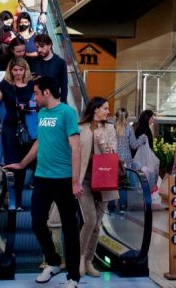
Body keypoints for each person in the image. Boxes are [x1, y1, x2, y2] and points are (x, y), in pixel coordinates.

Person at [4, 76, 82, 287]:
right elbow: (40, 141)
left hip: (64, 179)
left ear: (47, 92)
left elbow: (76, 148)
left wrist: (75, 181)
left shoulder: (67, 113)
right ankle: (54, 261)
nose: (34, 97)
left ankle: (73, 276)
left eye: (37, 93)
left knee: (70, 228)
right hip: (42, 177)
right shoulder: (42, 113)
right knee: (37, 222)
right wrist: (22, 164)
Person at [0, 58, 36, 207]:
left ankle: (13, 200)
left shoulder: (32, 85)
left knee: (24, 165)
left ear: (25, 70)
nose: (18, 73)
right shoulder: (5, 85)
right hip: (11, 127)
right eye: (15, 70)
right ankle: (13, 201)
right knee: (12, 164)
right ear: (10, 70)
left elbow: (40, 102)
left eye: (21, 69)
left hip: (29, 128)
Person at [77, 97, 118, 278]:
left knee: (97, 223)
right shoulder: (80, 127)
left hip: (105, 179)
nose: (108, 111)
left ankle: (89, 261)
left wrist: (101, 142)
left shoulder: (109, 128)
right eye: (105, 108)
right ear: (95, 109)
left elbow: (112, 152)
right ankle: (79, 258)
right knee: (90, 220)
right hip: (84, 179)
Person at [29, 34, 69, 102]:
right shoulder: (33, 61)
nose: (39, 50)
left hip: (53, 100)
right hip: (38, 101)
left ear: (49, 45)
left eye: (42, 46)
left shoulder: (60, 62)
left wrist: (63, 102)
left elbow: (64, 85)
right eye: (37, 47)